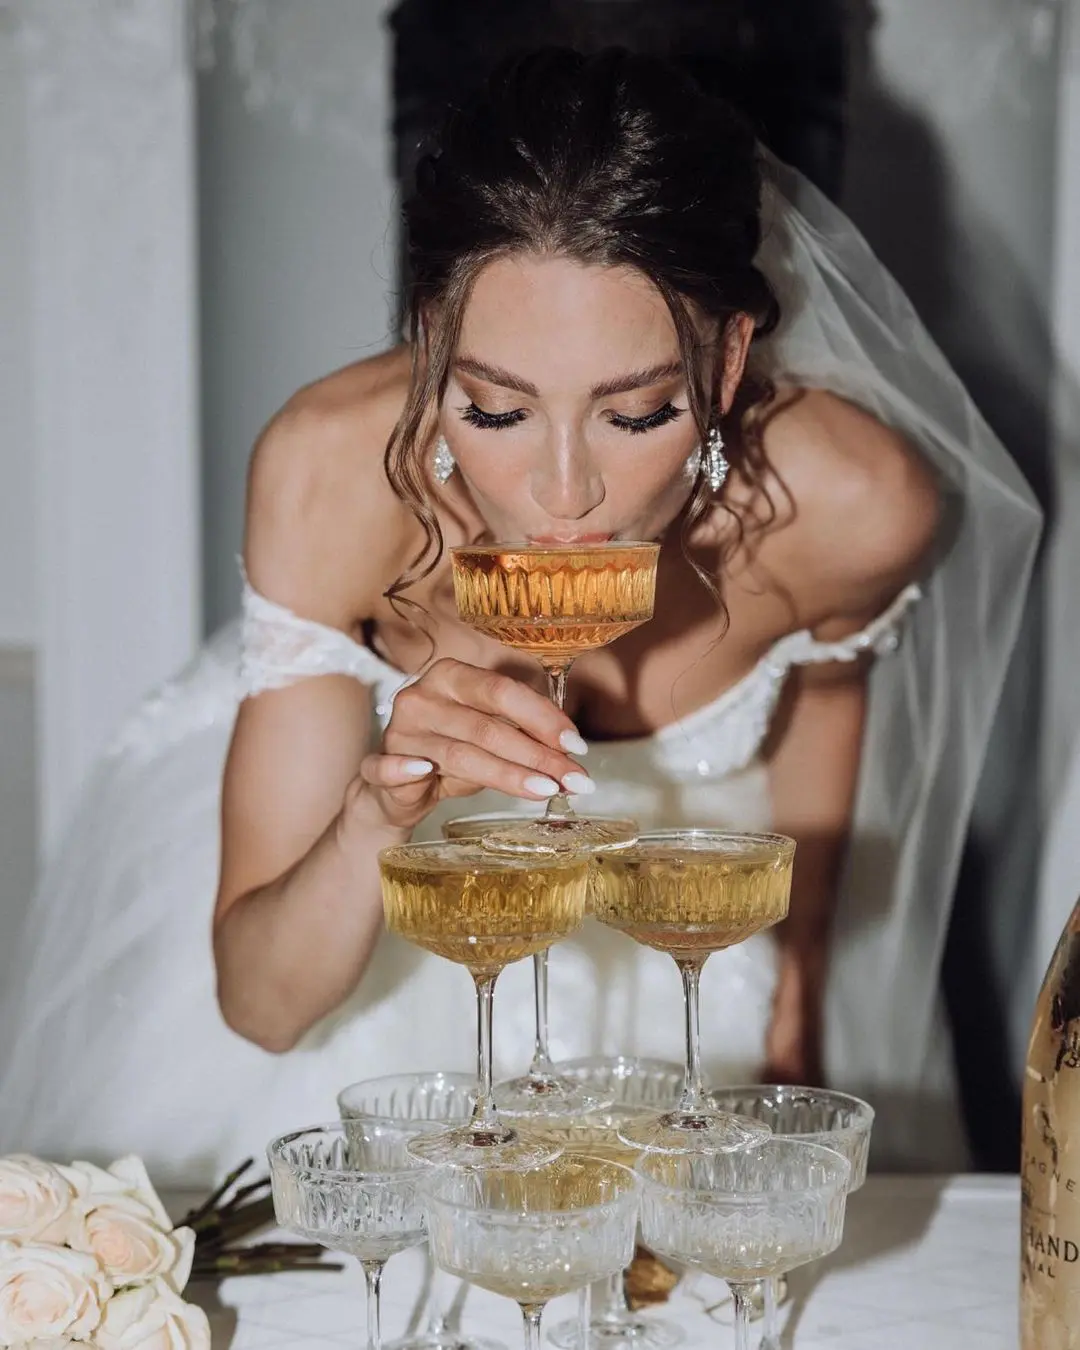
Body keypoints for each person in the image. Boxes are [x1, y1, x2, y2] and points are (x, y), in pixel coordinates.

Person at [0, 49, 1038, 1183]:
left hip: (677, 950)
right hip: (370, 993)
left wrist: (798, 997)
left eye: (636, 414)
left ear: (728, 360)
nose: (563, 493)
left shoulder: (857, 505)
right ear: (433, 344)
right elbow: (260, 1007)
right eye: (495, 409)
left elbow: (826, 705)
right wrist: (374, 814)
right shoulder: (326, 478)